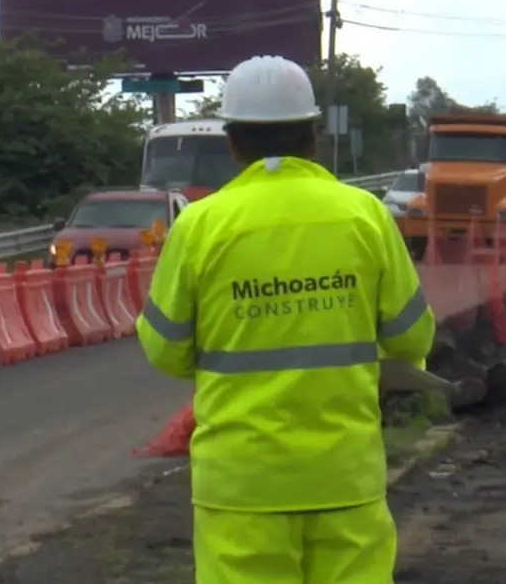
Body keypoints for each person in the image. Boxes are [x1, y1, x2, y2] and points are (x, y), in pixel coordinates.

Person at [137, 55, 435, 584]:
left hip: (241, 483)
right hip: (344, 476)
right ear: (313, 138)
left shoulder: (201, 225)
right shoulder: (364, 214)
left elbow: (164, 348)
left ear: (232, 143)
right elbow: (412, 337)